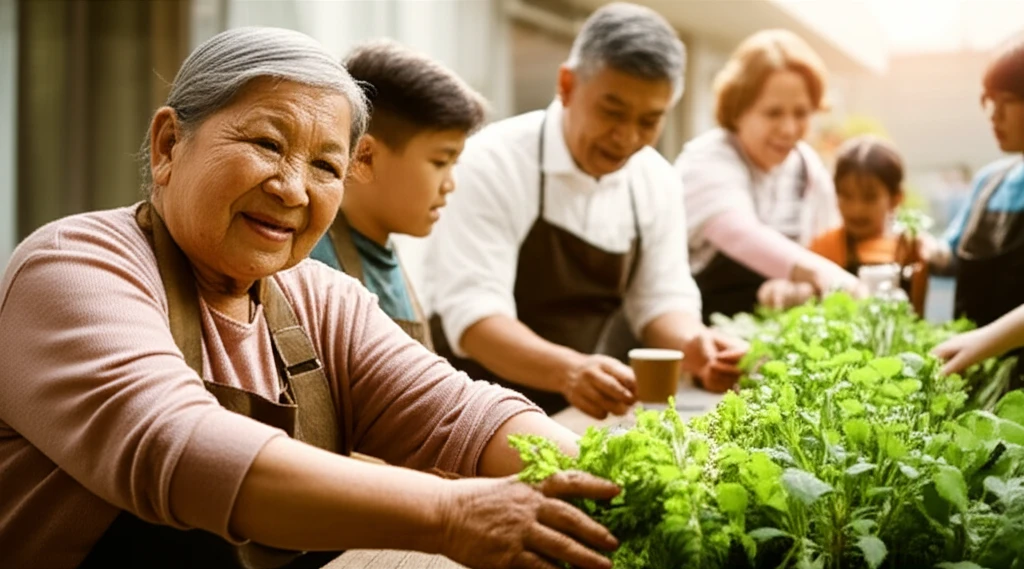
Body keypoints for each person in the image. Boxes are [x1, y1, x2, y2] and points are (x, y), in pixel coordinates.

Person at [0, 27, 621, 569]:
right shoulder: (76, 267)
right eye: (267, 145)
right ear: (168, 145)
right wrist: (449, 513)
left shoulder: (319, 298)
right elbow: (178, 447)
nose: (294, 189)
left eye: (326, 167)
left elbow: (462, 417)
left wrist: (617, 482)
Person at [425, 2, 747, 419]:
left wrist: (694, 345)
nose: (627, 137)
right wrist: (569, 371)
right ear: (567, 84)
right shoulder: (493, 162)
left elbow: (660, 298)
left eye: (650, 121)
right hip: (467, 407)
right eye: (612, 111)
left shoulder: (656, 179)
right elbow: (475, 319)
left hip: (572, 409)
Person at [309, 40, 486, 350]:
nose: (450, 184)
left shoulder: (385, 250)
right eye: (440, 162)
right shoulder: (313, 265)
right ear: (364, 157)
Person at [675, 29, 859, 323]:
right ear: (737, 111)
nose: (788, 129)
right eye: (773, 113)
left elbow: (826, 247)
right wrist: (831, 278)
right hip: (700, 339)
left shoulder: (807, 169)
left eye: (801, 113)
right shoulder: (706, 161)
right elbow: (741, 235)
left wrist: (795, 290)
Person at [924, 33, 1024, 389]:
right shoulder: (988, 181)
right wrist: (923, 246)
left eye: (1008, 101)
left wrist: (985, 341)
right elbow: (948, 255)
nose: (994, 115)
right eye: (989, 101)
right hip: (974, 374)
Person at [758, 135, 905, 309]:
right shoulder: (825, 248)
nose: (856, 208)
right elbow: (796, 287)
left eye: (869, 198)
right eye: (846, 196)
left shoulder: (910, 248)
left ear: (895, 199)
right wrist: (783, 291)